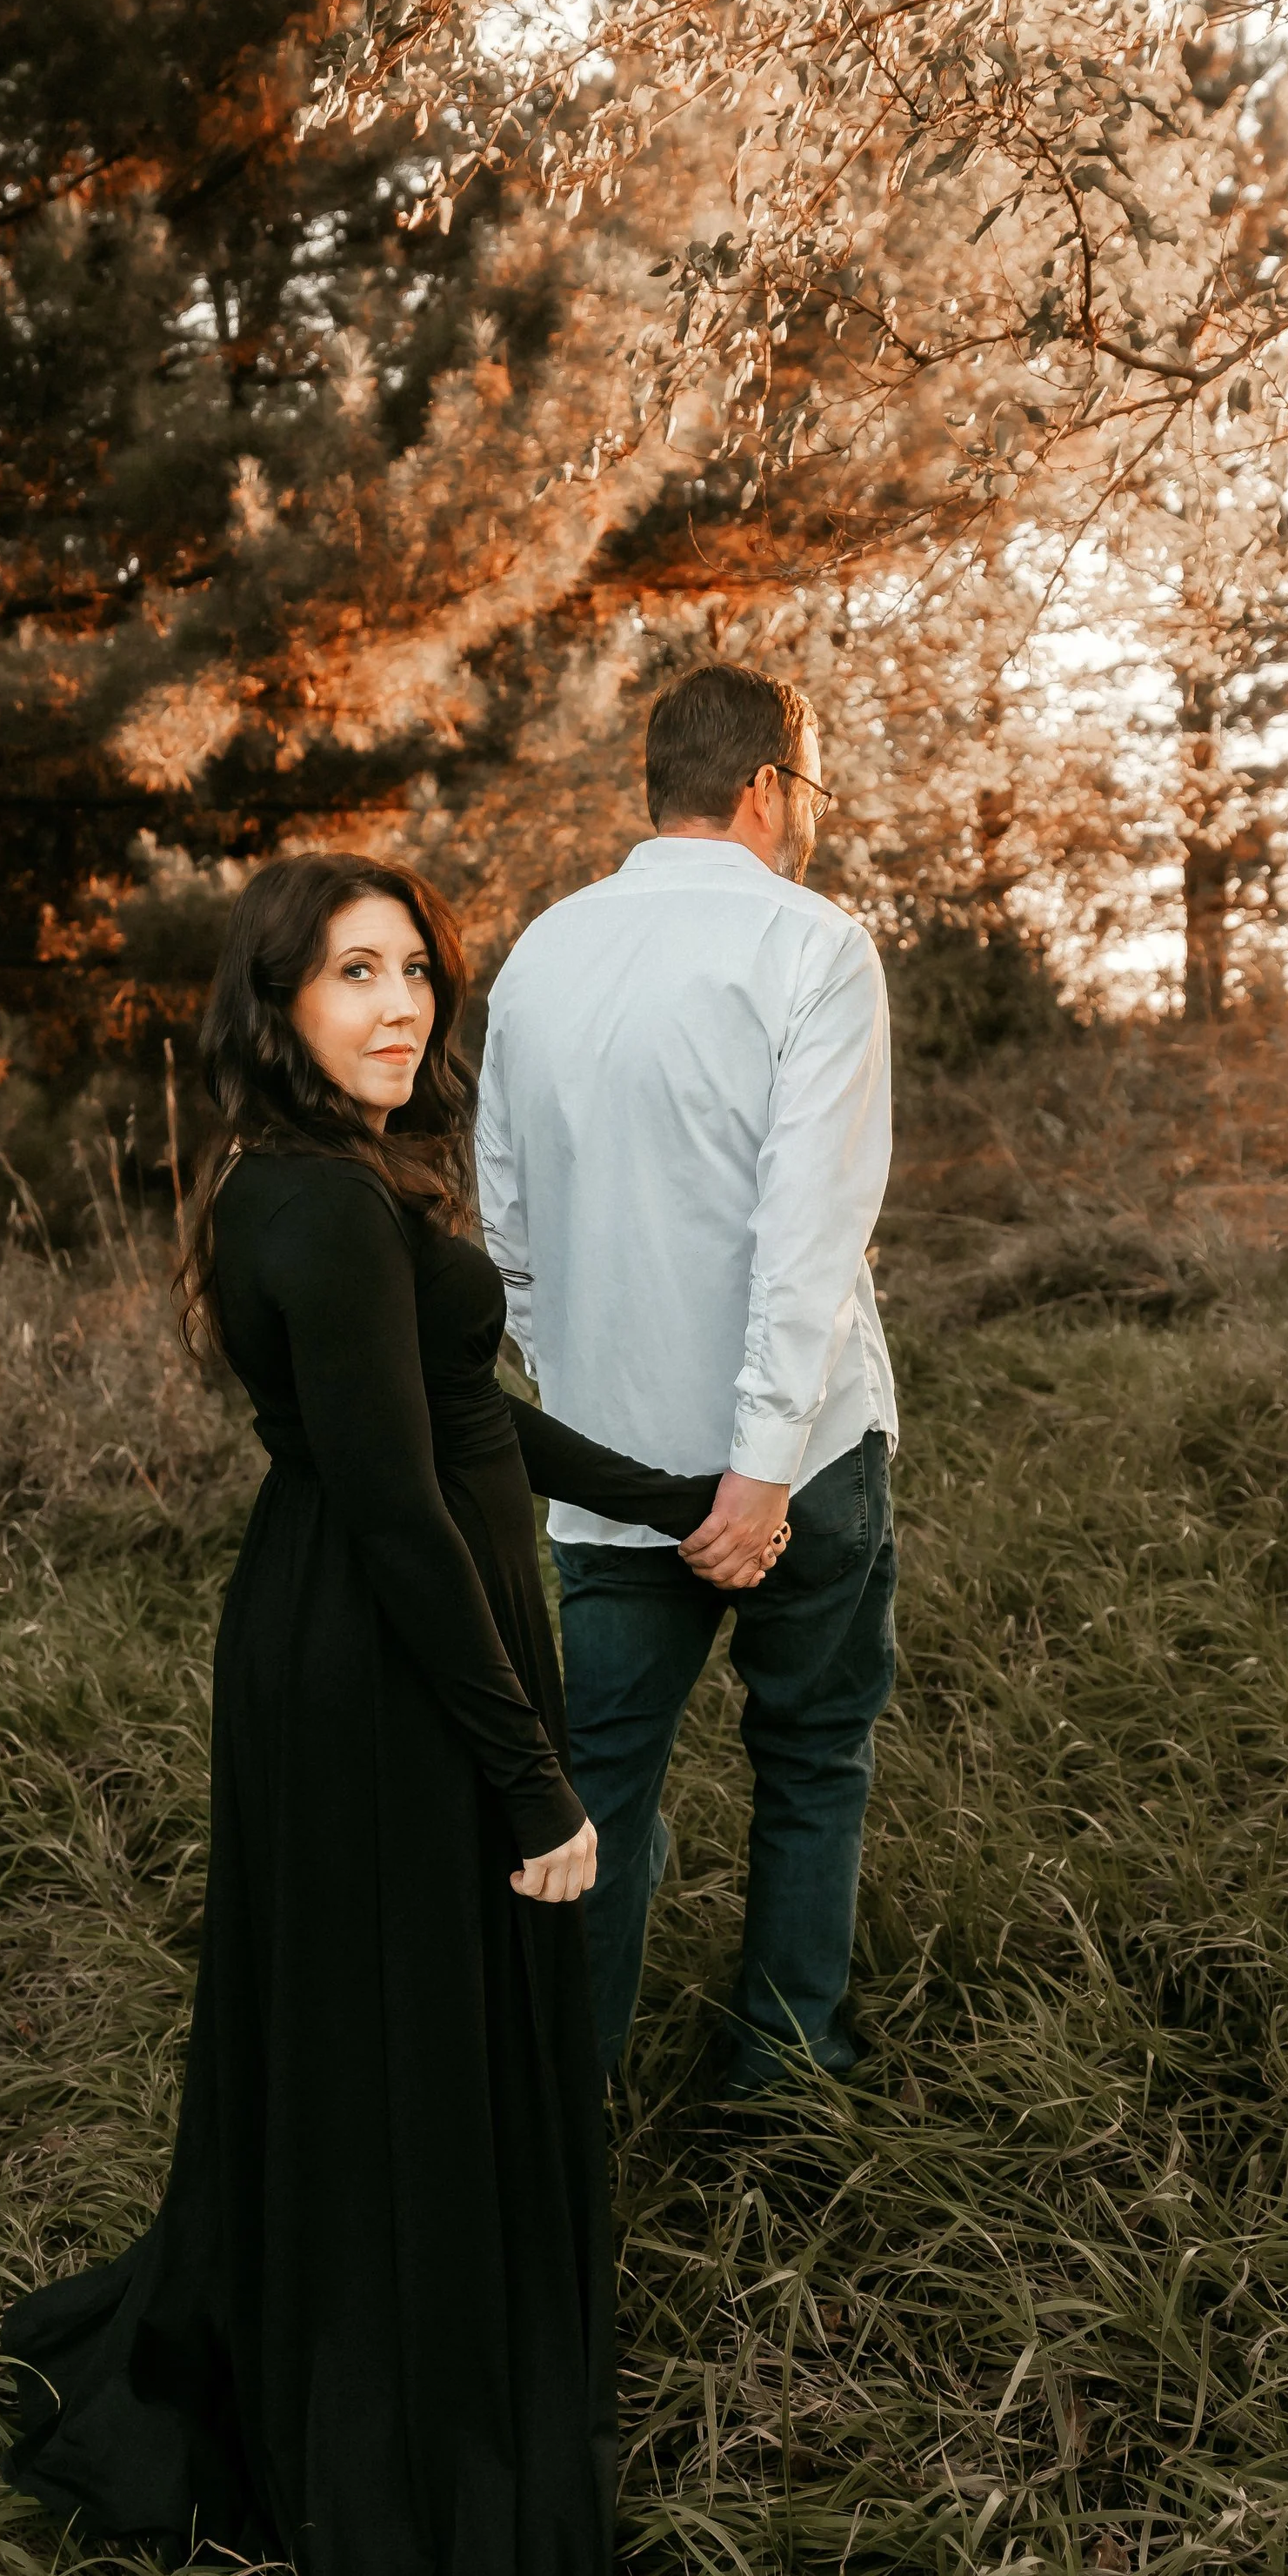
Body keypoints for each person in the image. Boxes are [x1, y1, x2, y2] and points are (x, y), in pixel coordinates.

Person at [0, 853, 776, 2576]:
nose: (401, 1002)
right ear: (275, 1002)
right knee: (403, 2039)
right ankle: (406, 2466)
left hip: (398, 1630)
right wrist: (531, 1783)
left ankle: (379, 2341)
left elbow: (464, 1417)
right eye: (353, 972)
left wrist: (670, 1498)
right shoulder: (314, 1207)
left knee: (389, 2031)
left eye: (415, 968)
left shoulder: (343, 1180)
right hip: (377, 1660)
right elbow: (396, 1510)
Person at [477, 660, 898, 2100]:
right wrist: (759, 1472)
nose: (815, 815)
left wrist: (589, 1385)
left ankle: (560, 2111)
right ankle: (782, 2082)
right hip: (801, 1467)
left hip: (605, 1470)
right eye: (815, 787)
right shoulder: (815, 947)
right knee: (812, 1759)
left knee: (595, 1783)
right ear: (768, 785)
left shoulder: (541, 956)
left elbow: (507, 1235)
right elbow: (808, 1236)